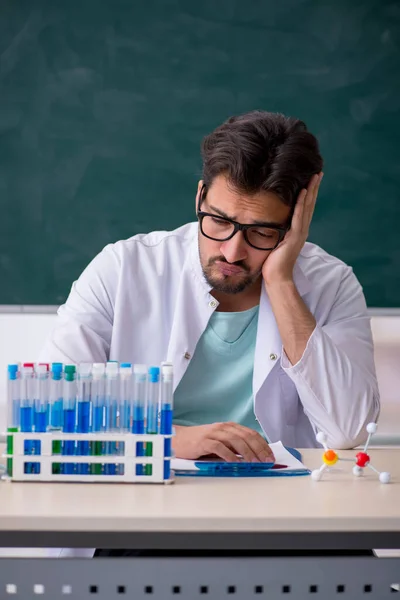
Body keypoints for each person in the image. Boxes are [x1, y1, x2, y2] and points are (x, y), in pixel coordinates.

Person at [40, 110, 380, 461]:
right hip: (146, 483)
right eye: (218, 221)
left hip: (279, 494)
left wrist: (280, 282)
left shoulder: (332, 283)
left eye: (261, 232)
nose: (232, 252)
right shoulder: (124, 268)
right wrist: (167, 440)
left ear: (295, 223)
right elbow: (53, 405)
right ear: (200, 198)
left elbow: (349, 430)